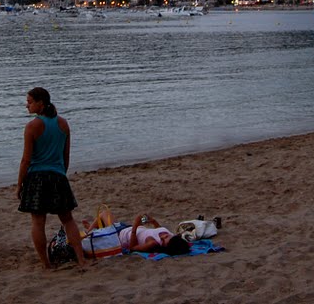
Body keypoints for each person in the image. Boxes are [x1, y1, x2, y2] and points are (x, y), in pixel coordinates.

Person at [17, 87, 87, 268]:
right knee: (67, 219)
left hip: (37, 177)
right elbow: (66, 157)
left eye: (29, 101)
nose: (27, 105)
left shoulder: (32, 126)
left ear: (40, 103)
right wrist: (61, 174)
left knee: (38, 222)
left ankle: (46, 265)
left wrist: (19, 185)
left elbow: (26, 160)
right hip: (58, 176)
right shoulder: (63, 124)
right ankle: (81, 260)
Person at [85, 212, 190, 256]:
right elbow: (160, 229)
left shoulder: (152, 243)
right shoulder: (169, 235)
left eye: (163, 240)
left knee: (104, 214)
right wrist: (153, 221)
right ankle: (93, 228)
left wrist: (135, 225)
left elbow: (133, 248)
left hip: (118, 234)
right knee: (105, 217)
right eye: (166, 236)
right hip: (127, 228)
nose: (163, 236)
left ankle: (88, 232)